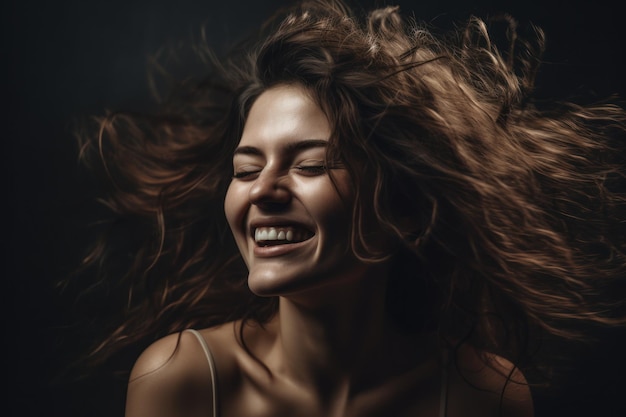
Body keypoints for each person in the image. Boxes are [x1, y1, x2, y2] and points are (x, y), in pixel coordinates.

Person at [69, 0, 626, 416]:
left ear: (406, 209)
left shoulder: (485, 396)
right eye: (245, 169)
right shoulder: (183, 379)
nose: (262, 190)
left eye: (309, 165)